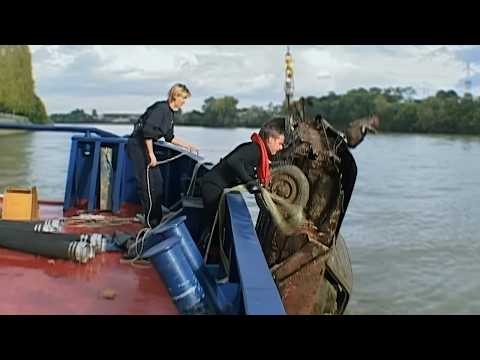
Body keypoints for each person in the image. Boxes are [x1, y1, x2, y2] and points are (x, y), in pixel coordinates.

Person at [127, 83, 198, 228]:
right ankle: (150, 222)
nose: (184, 101)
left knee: (157, 183)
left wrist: (188, 145)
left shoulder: (170, 114)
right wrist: (151, 155)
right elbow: (147, 131)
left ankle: (156, 219)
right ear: (175, 96)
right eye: (183, 98)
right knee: (147, 185)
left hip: (146, 147)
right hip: (139, 146)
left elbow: (169, 137)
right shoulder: (161, 109)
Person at [200, 117, 285, 234]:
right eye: (280, 143)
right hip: (212, 187)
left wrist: (252, 178)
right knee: (215, 231)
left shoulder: (257, 152)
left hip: (213, 186)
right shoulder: (254, 150)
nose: (281, 148)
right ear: (270, 139)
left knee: (217, 229)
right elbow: (233, 161)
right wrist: (249, 181)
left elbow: (243, 167)